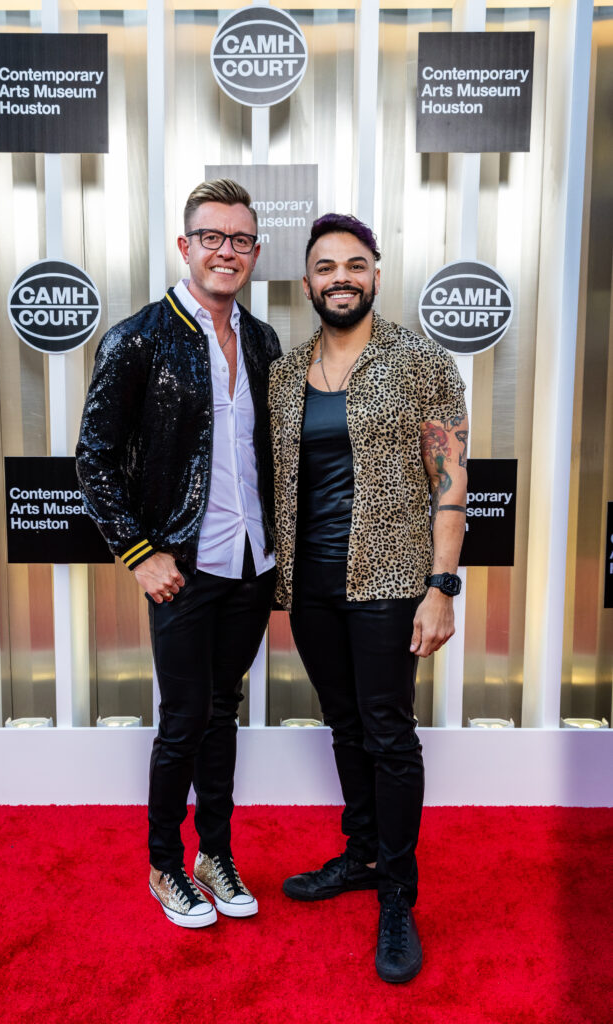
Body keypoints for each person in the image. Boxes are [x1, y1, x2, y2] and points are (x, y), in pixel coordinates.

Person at [268, 214, 468, 982]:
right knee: (344, 725)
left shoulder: (418, 361)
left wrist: (440, 587)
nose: (340, 277)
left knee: (387, 733)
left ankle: (396, 892)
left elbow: (448, 483)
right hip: (310, 588)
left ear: (376, 275)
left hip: (389, 583)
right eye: (325, 266)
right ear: (308, 282)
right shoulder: (285, 375)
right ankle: (358, 855)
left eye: (355, 264)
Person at [77, 179, 280, 929]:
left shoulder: (260, 341)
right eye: (212, 237)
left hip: (251, 566)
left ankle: (213, 855)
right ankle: (166, 864)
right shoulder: (138, 337)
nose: (226, 251)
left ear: (256, 252)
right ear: (185, 245)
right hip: (181, 568)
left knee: (221, 713)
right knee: (184, 718)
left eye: (241, 239)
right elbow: (93, 459)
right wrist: (139, 553)